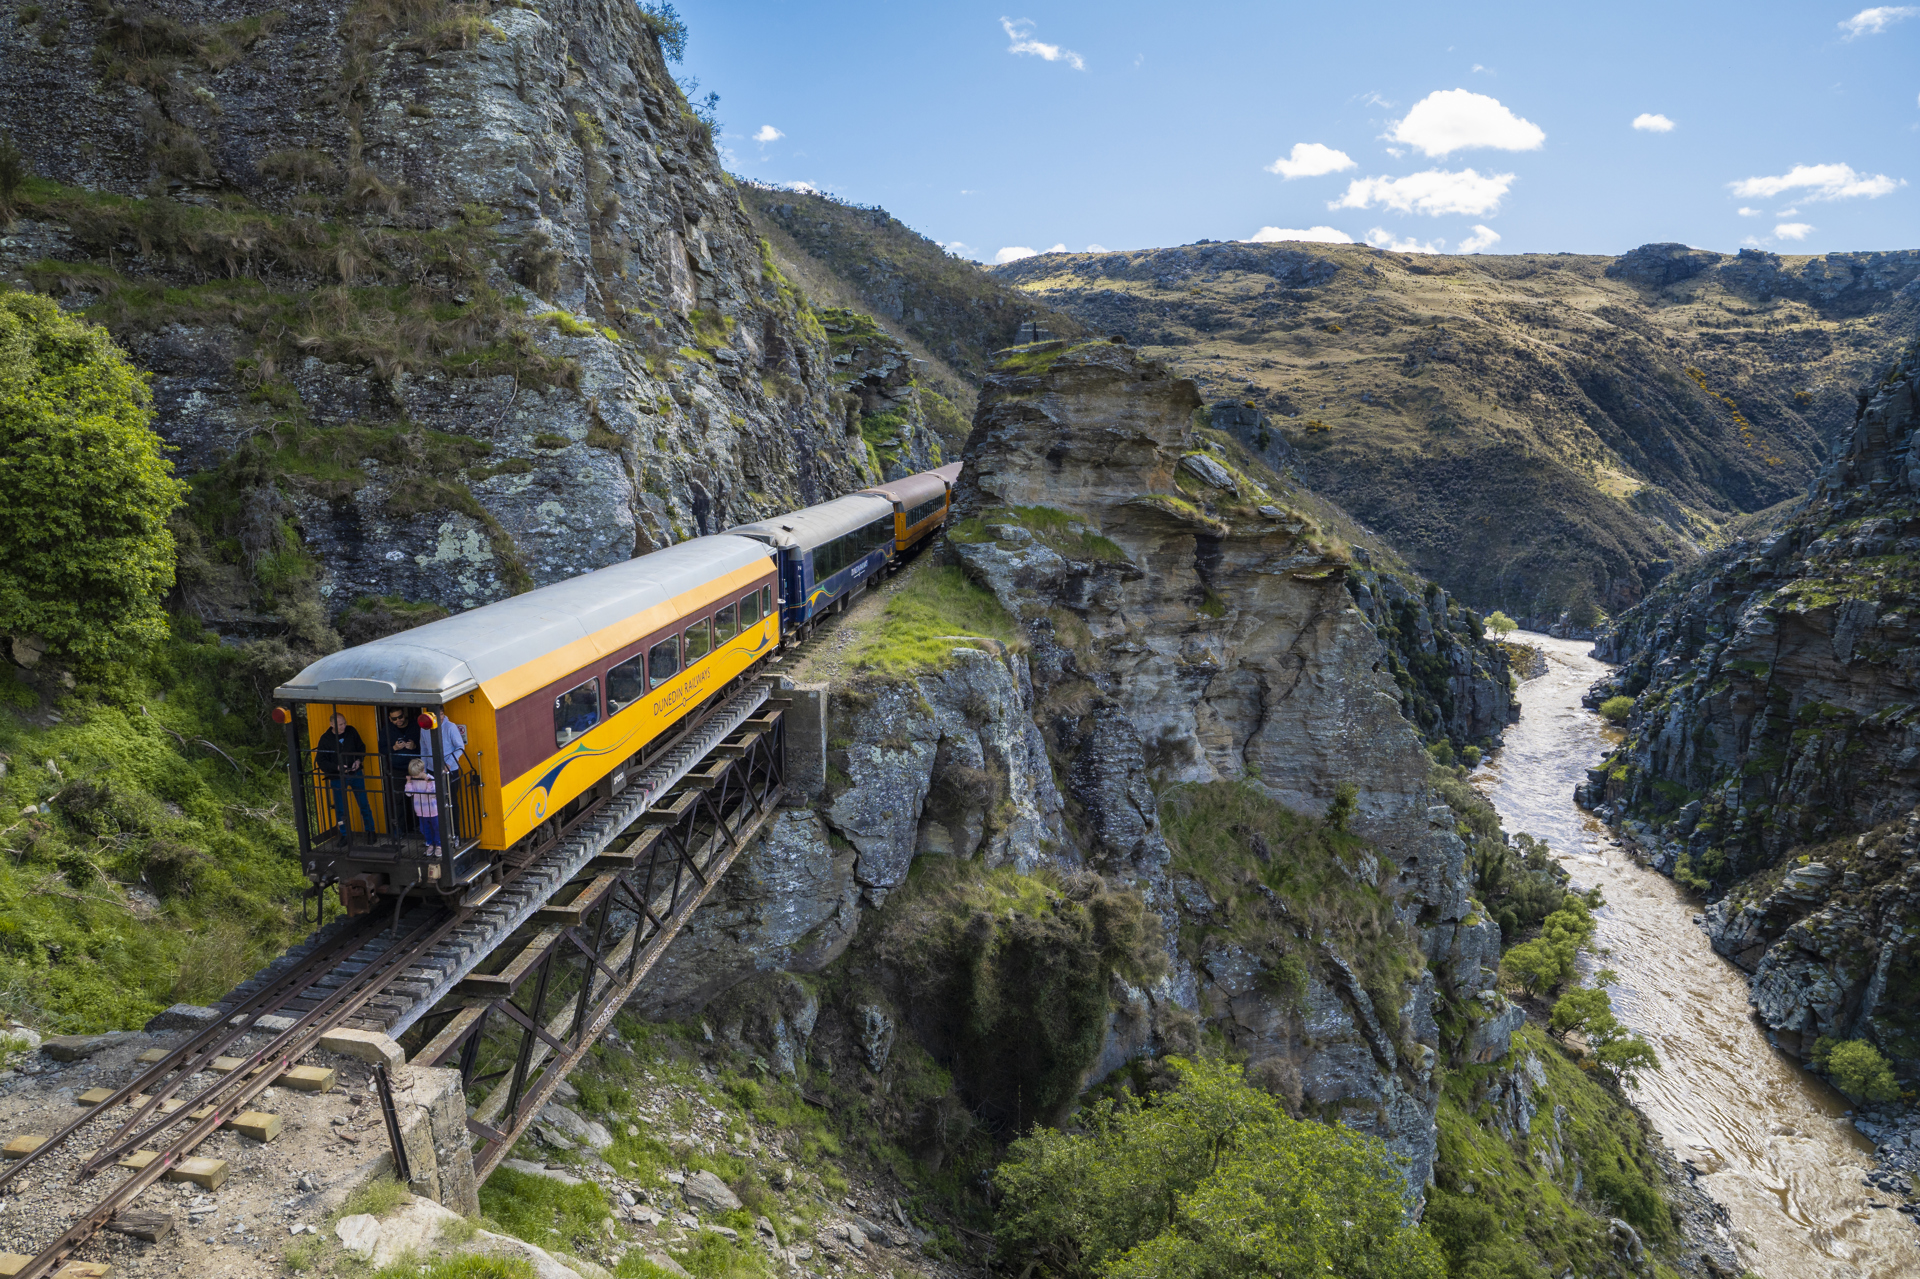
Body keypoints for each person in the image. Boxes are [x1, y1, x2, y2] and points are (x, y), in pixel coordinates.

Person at [316, 713, 375, 843]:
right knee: (341, 808)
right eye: (340, 724)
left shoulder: (351, 731)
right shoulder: (325, 739)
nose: (344, 726)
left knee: (364, 804)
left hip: (356, 773)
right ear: (331, 724)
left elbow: (361, 747)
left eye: (344, 723)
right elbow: (320, 761)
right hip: (338, 777)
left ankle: (371, 831)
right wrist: (337, 767)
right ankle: (344, 834)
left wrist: (358, 761)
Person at [381, 706, 421, 833]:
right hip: (397, 769)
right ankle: (402, 828)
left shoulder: (416, 726)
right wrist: (394, 748)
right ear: (390, 719)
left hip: (416, 768)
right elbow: (381, 749)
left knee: (418, 797)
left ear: (404, 715)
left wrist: (415, 746)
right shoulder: (387, 729)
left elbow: (427, 744)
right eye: (395, 718)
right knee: (399, 799)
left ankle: (419, 827)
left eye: (400, 717)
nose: (398, 720)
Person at [404, 758, 441, 857]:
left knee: (436, 828)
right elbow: (408, 793)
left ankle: (439, 845)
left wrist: (429, 783)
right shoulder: (413, 780)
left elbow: (432, 794)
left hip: (432, 809)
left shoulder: (430, 778)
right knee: (424, 829)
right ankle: (430, 844)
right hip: (420, 810)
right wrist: (409, 782)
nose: (414, 777)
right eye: (413, 775)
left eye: (416, 774)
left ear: (423, 771)